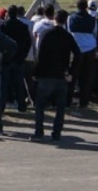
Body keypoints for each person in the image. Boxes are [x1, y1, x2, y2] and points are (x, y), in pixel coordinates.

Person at [32, 10, 81, 142]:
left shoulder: (46, 34)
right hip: (61, 75)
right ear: (65, 21)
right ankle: (56, 133)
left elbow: (40, 54)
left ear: (54, 18)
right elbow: (77, 54)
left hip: (46, 75)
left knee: (40, 106)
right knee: (60, 107)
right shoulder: (68, 36)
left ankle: (39, 132)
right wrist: (71, 72)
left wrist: (36, 72)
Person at [0, 5, 32, 113]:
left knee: (4, 84)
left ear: (8, 14)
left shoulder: (3, 26)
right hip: (19, 59)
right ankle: (21, 106)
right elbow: (28, 42)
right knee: (19, 84)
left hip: (6, 59)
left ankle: (1, 106)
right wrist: (24, 55)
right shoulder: (23, 26)